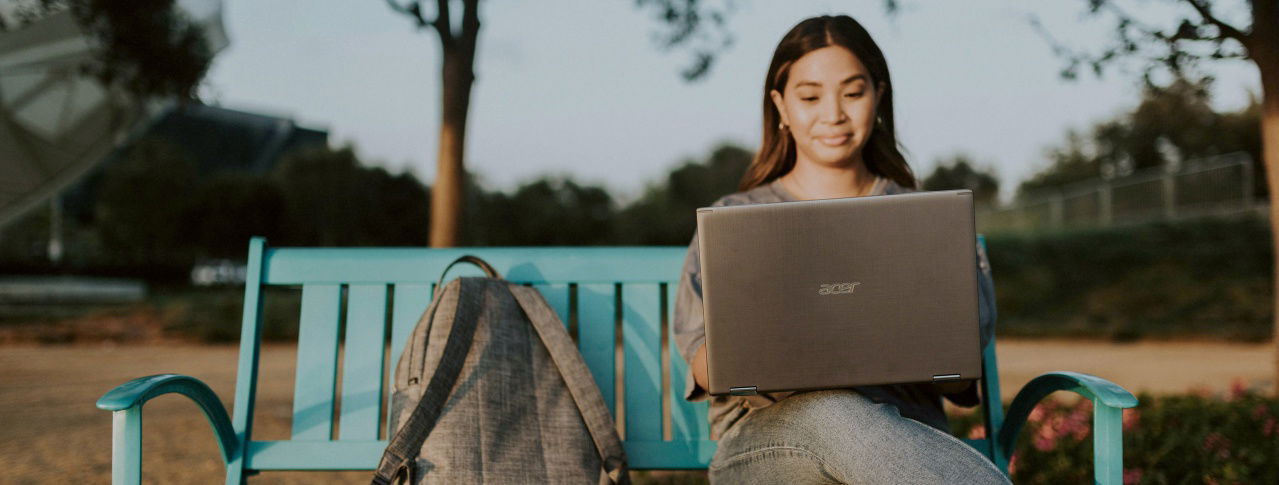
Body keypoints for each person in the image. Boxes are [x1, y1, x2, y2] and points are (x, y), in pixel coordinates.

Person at [673, 15, 1010, 484]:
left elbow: (959, 379)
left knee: (851, 418)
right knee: (834, 411)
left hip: (905, 440)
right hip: (767, 445)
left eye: (852, 93)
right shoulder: (734, 221)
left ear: (879, 96)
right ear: (781, 107)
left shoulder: (930, 222)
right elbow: (706, 368)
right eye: (810, 97)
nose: (833, 114)